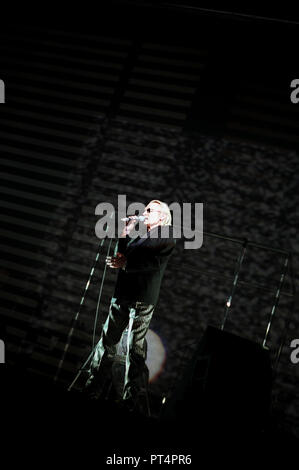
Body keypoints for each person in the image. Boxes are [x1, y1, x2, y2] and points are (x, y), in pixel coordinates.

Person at [84, 200, 176, 410]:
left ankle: (131, 401)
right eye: (145, 209)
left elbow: (152, 264)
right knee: (107, 342)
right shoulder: (141, 237)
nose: (145, 212)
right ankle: (92, 388)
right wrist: (126, 231)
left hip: (142, 299)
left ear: (162, 217)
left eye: (150, 210)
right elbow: (121, 257)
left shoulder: (166, 236)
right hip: (122, 296)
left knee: (134, 349)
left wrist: (126, 263)